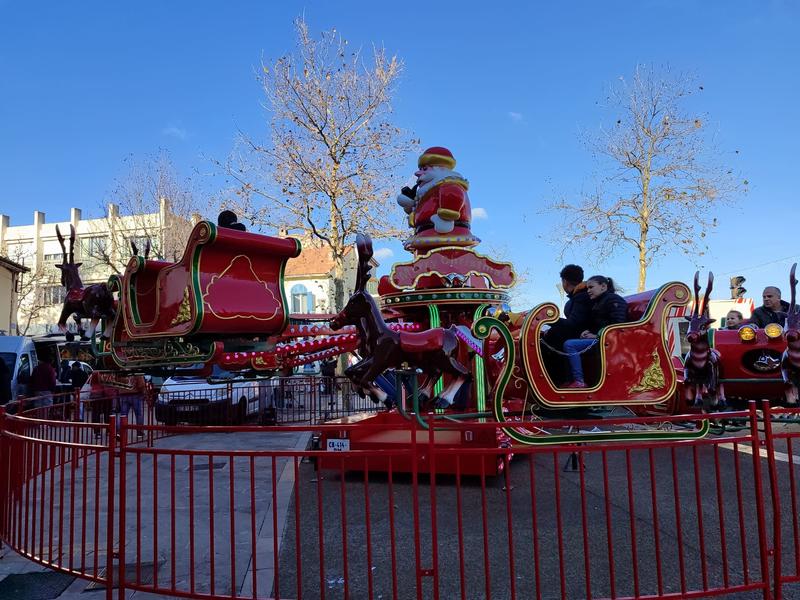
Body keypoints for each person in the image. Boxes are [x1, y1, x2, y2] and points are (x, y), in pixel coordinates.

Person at [397, 147, 480, 253]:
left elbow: (453, 195)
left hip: (446, 235)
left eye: (425, 169)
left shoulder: (448, 185)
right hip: (425, 236)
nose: (418, 173)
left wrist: (446, 219)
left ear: (440, 169)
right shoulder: (429, 191)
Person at [563, 275, 628, 388]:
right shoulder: (599, 302)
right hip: (602, 338)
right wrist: (586, 332)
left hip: (612, 342)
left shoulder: (613, 300)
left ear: (603, 286)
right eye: (587, 288)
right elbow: (599, 324)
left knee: (570, 345)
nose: (588, 291)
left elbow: (617, 326)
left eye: (591, 287)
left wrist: (596, 335)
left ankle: (579, 380)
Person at [541, 264, 593, 384]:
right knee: (550, 334)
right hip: (581, 332)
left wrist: (548, 319)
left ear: (564, 281)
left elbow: (573, 324)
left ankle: (558, 381)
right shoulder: (581, 296)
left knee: (550, 338)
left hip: (583, 334)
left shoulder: (581, 297)